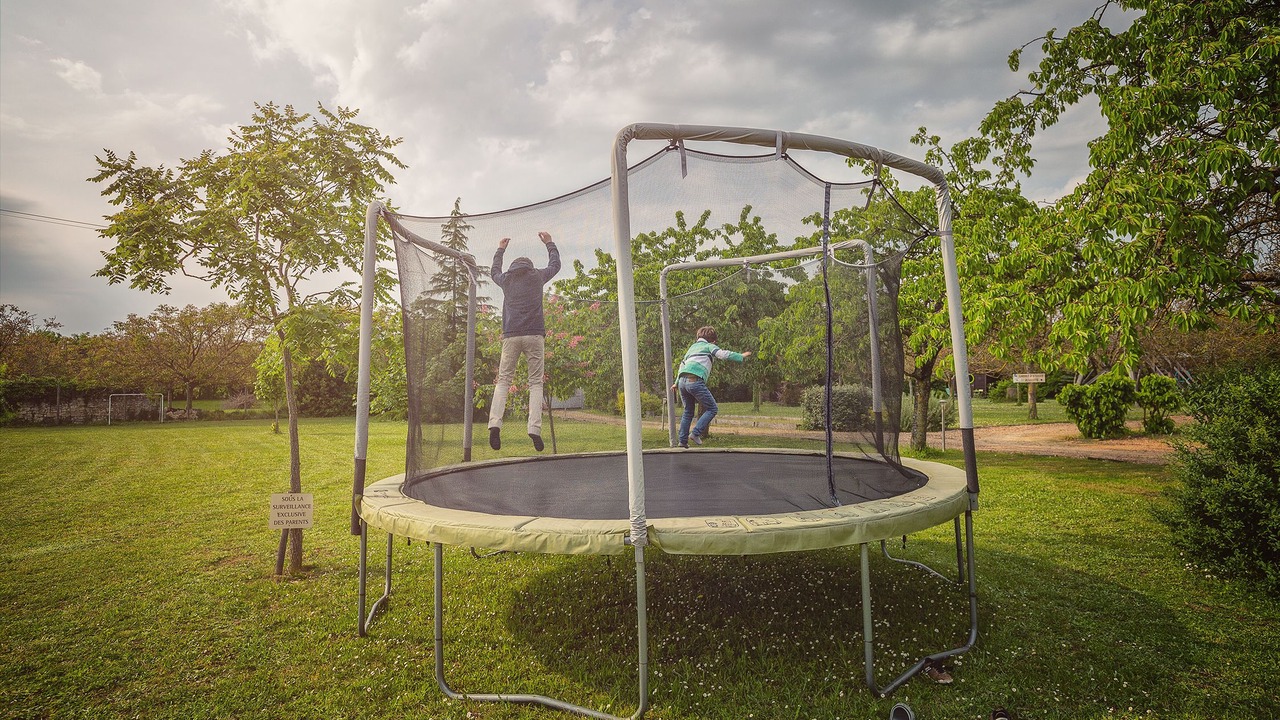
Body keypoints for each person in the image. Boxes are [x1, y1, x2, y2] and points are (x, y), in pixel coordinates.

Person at [489, 231, 560, 452]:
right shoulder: (537, 276)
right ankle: (534, 429)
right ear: (529, 267)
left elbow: (494, 272)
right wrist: (549, 243)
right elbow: (555, 265)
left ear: (513, 268)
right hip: (534, 335)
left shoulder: (506, 279)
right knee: (535, 383)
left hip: (511, 335)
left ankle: (494, 424)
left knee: (503, 381)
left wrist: (500, 249)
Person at [672, 326, 751, 448]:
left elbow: (682, 364)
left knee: (688, 411)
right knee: (712, 408)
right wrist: (740, 356)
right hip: (695, 380)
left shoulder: (692, 348)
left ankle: (682, 441)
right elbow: (723, 354)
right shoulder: (709, 346)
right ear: (713, 341)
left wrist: (676, 382)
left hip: (682, 381)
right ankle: (695, 433)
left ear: (698, 337)